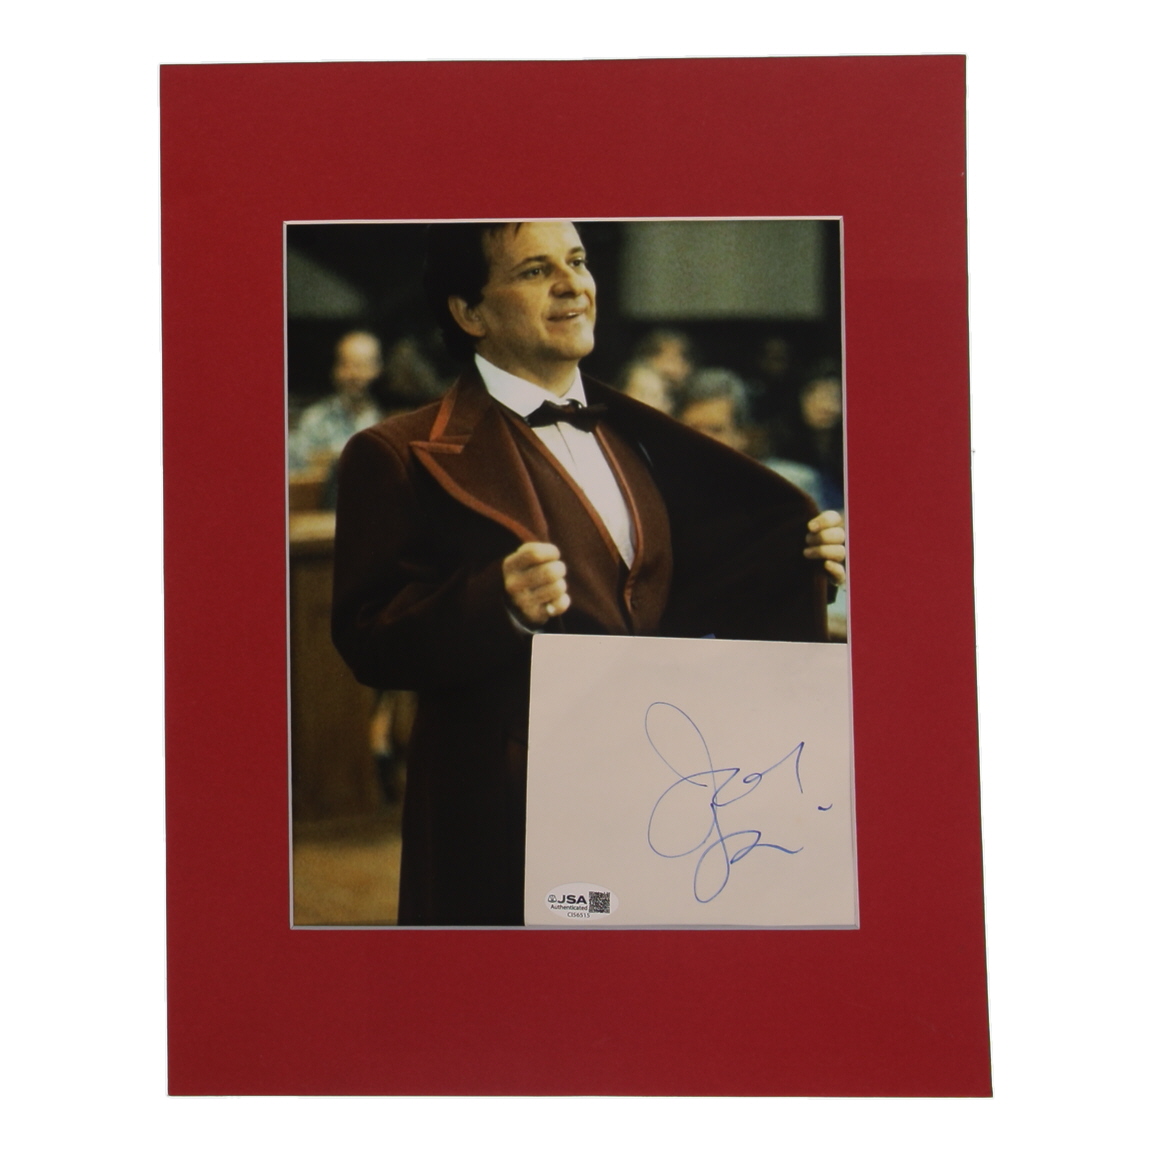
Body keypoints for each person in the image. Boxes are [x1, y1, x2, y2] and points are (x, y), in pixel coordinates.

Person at [331, 221, 846, 926]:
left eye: (576, 261)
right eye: (534, 270)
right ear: (470, 311)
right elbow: (368, 639)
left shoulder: (638, 433)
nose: (572, 284)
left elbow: (658, 600)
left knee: (628, 980)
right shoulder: (394, 452)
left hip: (650, 787)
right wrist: (496, 604)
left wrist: (793, 564)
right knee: (514, 987)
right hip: (503, 801)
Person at [288, 330, 385, 473]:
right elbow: (295, 472)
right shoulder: (315, 419)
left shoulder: (388, 419)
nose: (353, 374)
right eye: (346, 364)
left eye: (362, 365)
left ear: (378, 369)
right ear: (335, 370)